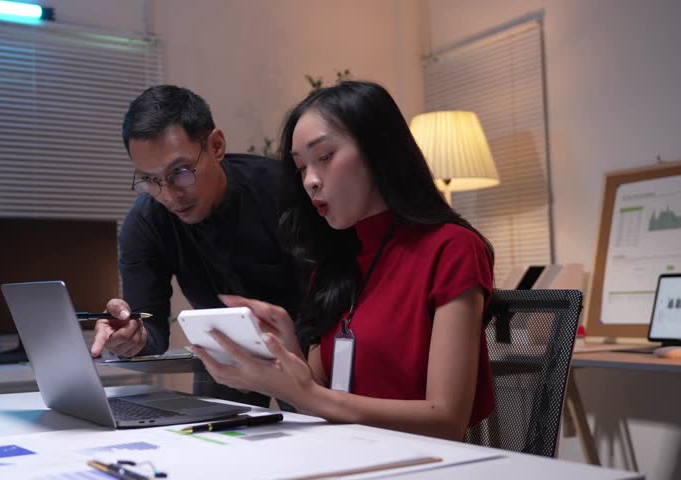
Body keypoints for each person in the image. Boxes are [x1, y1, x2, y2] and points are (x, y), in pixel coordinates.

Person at [191, 80, 496, 440]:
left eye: (324, 157)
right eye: (301, 167)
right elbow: (324, 391)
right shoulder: (336, 260)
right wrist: (287, 353)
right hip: (343, 455)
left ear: (379, 151)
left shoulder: (452, 249)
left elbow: (446, 419)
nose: (310, 181)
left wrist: (304, 392)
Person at [89, 85, 306, 407]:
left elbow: (329, 299)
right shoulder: (146, 223)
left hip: (305, 349)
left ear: (216, 145)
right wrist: (133, 337)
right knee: (214, 443)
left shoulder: (284, 192)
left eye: (180, 172)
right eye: (150, 179)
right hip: (223, 355)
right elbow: (151, 329)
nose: (169, 195)